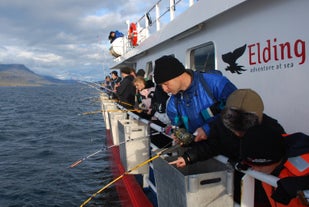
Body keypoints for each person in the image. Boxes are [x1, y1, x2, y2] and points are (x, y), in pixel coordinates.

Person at [169, 88, 286, 205]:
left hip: (264, 189)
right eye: (234, 128)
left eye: (243, 129)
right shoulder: (221, 126)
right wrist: (188, 157)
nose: (238, 133)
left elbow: (284, 160)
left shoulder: (273, 131)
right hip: (235, 182)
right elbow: (212, 146)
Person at [154, 55, 237, 141]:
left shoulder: (217, 84)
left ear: (179, 75)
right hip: (199, 149)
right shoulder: (172, 104)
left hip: (226, 146)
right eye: (161, 86)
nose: (164, 89)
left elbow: (237, 112)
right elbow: (177, 126)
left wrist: (208, 129)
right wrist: (179, 134)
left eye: (166, 84)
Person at [240, 126, 309, 207]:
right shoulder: (271, 142)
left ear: (274, 160)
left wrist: (301, 184)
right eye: (251, 165)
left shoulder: (305, 159)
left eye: (259, 166)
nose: (254, 169)